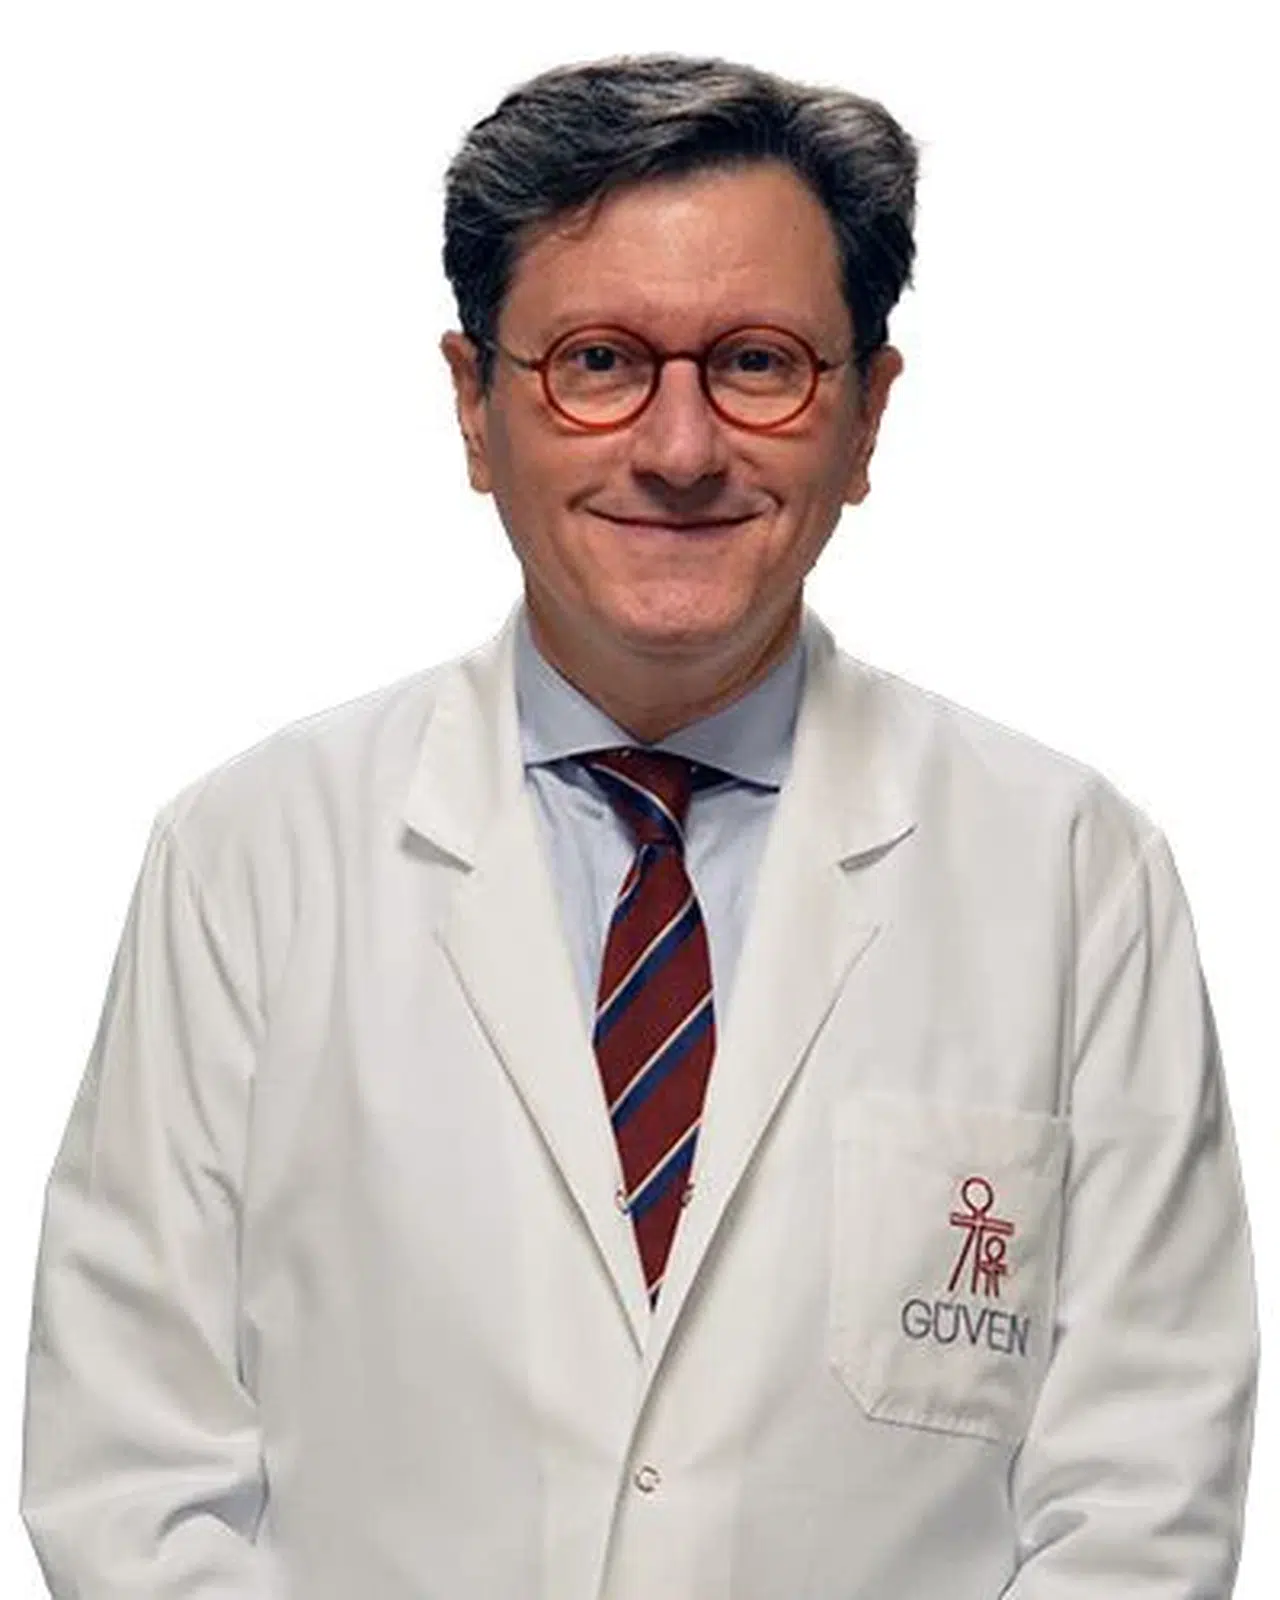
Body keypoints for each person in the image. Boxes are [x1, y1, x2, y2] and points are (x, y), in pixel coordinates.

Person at [20, 53, 1258, 1600]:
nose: (679, 451)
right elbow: (131, 1470)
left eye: (758, 364)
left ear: (867, 416)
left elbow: (1141, 1495)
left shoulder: (1073, 876)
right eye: (598, 362)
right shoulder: (250, 860)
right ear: (475, 407)